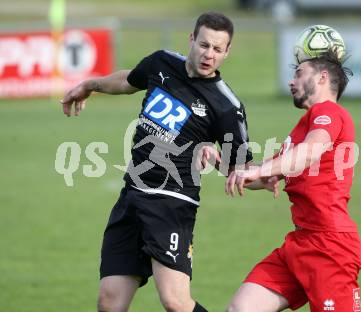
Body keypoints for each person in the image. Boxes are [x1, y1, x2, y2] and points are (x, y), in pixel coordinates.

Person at [60, 12, 253, 312]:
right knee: (109, 302)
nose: (208, 55)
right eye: (204, 45)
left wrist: (219, 161)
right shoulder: (161, 62)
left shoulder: (227, 106)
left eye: (217, 49)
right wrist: (91, 84)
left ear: (227, 52)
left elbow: (241, 169)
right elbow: (128, 80)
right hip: (132, 195)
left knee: (175, 302)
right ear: (191, 39)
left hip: (171, 205)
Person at [225, 50, 361, 312]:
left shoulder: (329, 112)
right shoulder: (303, 127)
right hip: (299, 244)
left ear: (323, 78)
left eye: (299, 74)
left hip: (330, 247)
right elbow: (262, 176)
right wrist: (218, 159)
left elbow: (311, 151)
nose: (291, 81)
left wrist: (260, 171)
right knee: (241, 309)